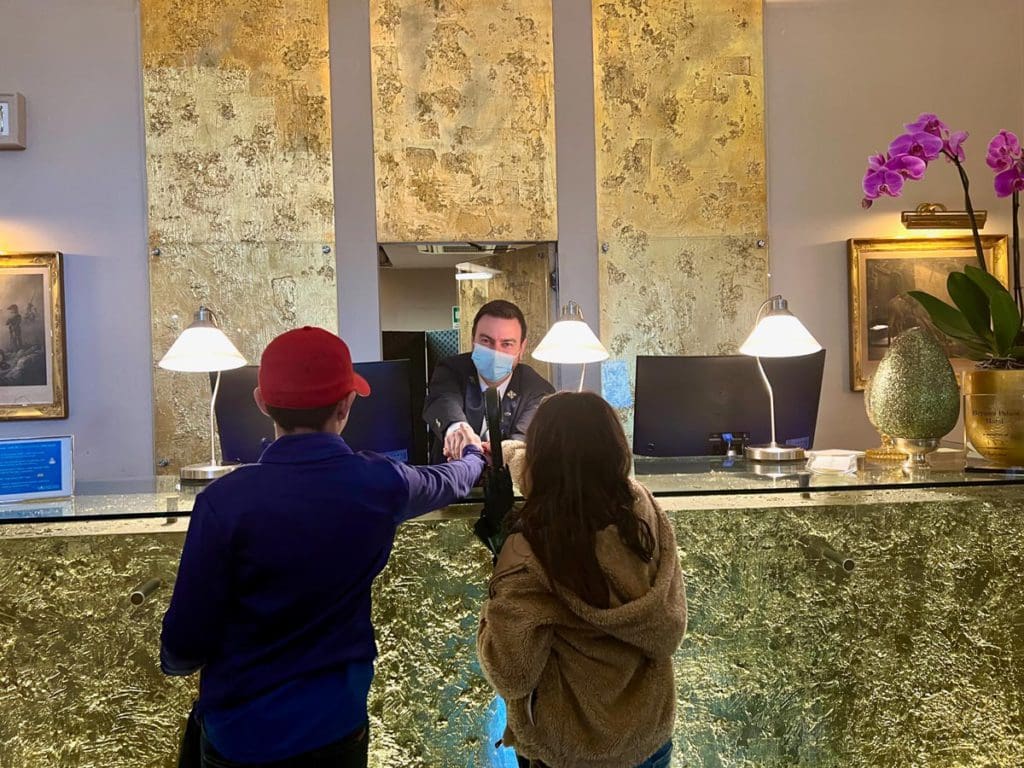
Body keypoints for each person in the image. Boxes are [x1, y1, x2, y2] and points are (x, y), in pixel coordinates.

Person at [161, 326, 486, 768]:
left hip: (241, 735)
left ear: (262, 402)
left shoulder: (223, 502)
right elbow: (447, 481)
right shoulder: (380, 482)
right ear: (347, 404)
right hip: (336, 728)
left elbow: (183, 646)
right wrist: (473, 458)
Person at [477, 392, 687, 768]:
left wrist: (500, 556)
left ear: (542, 462)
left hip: (570, 753)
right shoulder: (643, 511)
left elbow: (512, 673)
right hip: (648, 743)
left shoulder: (530, 553)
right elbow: (573, 470)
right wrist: (507, 452)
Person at [423, 299, 554, 463]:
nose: (495, 352)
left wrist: (498, 453)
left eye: (506, 344)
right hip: (452, 481)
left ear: (521, 348)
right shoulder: (451, 370)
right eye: (486, 341)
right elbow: (443, 401)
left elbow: (522, 442)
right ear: (473, 341)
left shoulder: (538, 389)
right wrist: (457, 430)